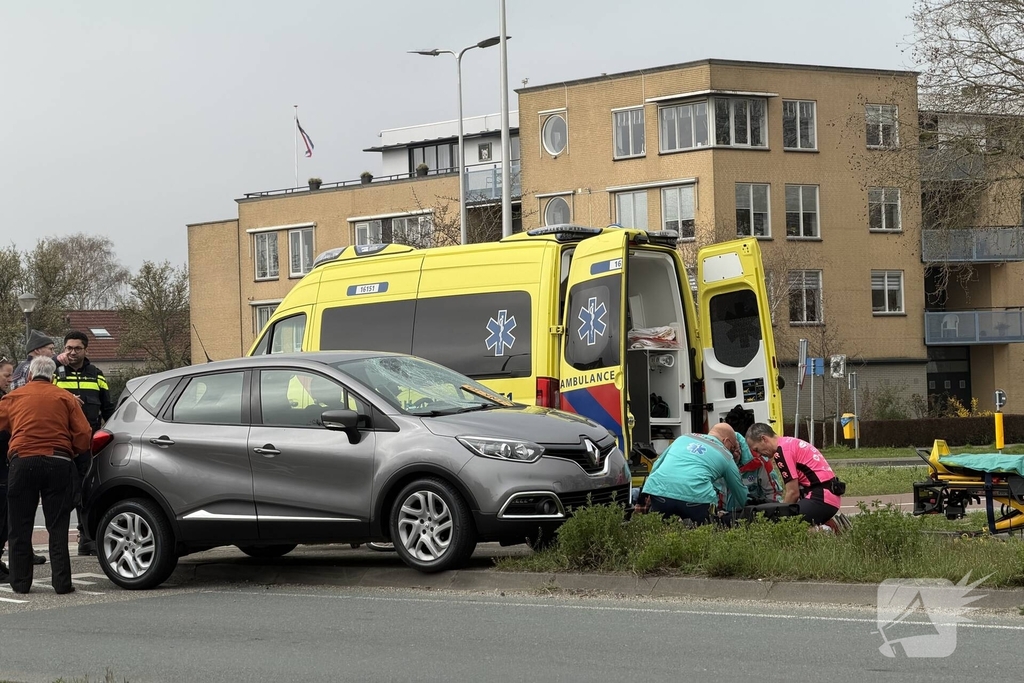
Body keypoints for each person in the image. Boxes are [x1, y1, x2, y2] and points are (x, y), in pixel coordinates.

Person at [0, 356, 92, 594]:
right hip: (58, 462)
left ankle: (20, 583)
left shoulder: (13, 397)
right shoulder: (65, 397)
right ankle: (61, 583)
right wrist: (72, 450)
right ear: (52, 377)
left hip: (22, 462)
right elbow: (84, 433)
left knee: (19, 526)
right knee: (58, 525)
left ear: (29, 375)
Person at [54, 330, 114, 556]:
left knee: (88, 489)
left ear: (86, 349)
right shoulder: (56, 374)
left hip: (89, 443)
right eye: (68, 348)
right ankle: (59, 541)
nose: (71, 352)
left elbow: (108, 409)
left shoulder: (96, 374)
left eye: (77, 348)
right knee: (63, 491)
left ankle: (86, 537)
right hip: (63, 442)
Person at [639, 423, 748, 526]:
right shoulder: (726, 455)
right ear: (726, 441)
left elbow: (657, 465)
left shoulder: (683, 438)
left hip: (660, 495)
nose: (733, 452)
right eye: (733, 448)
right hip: (696, 500)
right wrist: (753, 512)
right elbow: (739, 490)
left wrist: (644, 495)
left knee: (660, 533)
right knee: (704, 534)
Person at [745, 423, 843, 525]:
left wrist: (781, 519)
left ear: (764, 439)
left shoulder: (781, 452)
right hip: (830, 495)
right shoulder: (788, 442)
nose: (759, 454)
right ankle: (830, 524)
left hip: (821, 498)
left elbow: (792, 493)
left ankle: (825, 529)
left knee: (786, 523)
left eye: (757, 449)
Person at [721, 406, 782, 505]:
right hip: (726, 513)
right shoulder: (715, 462)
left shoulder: (759, 460)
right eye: (730, 453)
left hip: (756, 513)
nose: (735, 454)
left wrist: (773, 512)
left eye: (735, 449)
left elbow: (773, 492)